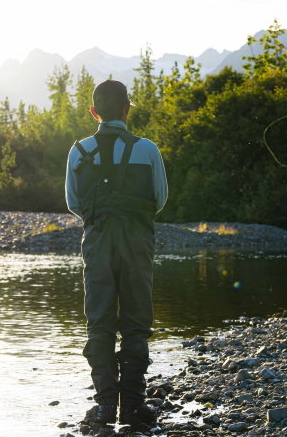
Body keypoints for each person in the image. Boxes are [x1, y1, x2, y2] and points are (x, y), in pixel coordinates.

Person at [65, 80, 168, 426]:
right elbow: (160, 199)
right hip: (137, 240)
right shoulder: (149, 149)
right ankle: (134, 407)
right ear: (127, 109)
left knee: (100, 322)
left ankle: (106, 407)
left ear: (94, 112)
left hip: (97, 240)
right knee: (137, 323)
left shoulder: (78, 151)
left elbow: (73, 204)